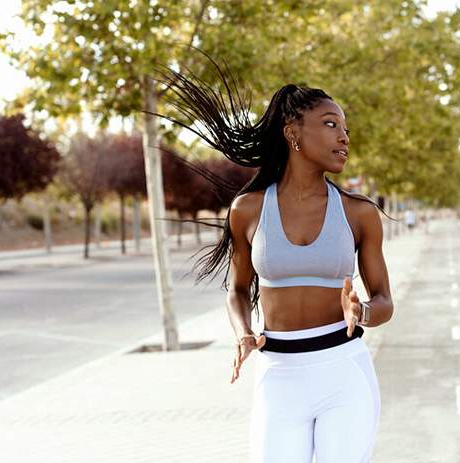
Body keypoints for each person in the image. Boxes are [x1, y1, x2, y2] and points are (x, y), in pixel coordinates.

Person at [157, 58, 394, 463]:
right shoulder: (247, 210)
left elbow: (384, 300)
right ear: (293, 133)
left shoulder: (359, 213)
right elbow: (236, 289)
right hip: (278, 374)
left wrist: (364, 311)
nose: (344, 137)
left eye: (346, 129)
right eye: (331, 124)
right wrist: (243, 332)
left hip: (344, 370)